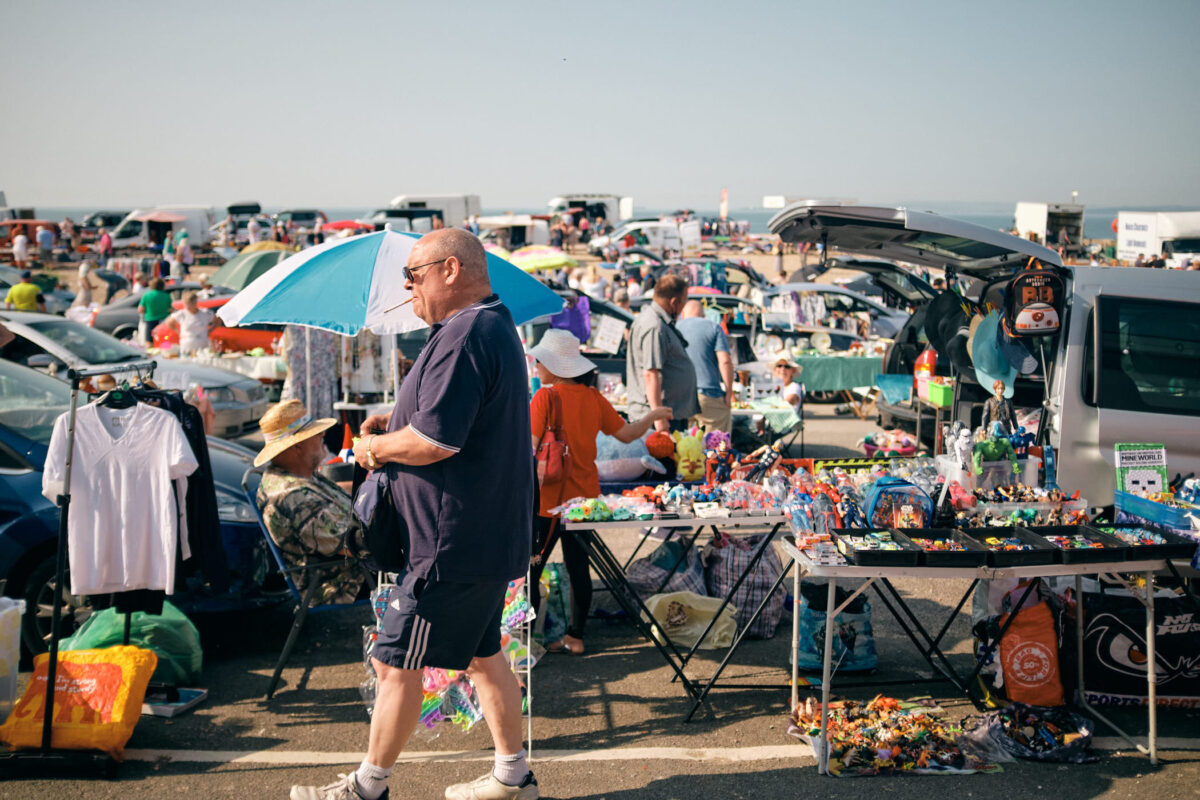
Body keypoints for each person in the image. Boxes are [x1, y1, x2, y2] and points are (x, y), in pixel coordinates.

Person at [292, 228, 538, 800]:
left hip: (449, 540)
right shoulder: (487, 325)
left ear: (450, 270)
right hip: (477, 534)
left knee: (394, 662)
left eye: (414, 275)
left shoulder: (467, 333)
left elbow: (436, 441)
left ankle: (366, 788)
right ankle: (512, 777)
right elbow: (442, 421)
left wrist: (373, 449)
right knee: (485, 655)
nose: (408, 289)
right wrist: (393, 420)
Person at [527, 329, 671, 655]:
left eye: (541, 360)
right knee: (579, 568)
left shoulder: (544, 398)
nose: (536, 365)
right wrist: (652, 416)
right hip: (585, 500)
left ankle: (531, 642)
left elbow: (529, 450)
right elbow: (627, 434)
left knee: (531, 569)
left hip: (548, 501)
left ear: (556, 366)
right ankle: (576, 637)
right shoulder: (593, 398)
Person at [254, 399, 370, 605]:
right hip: (343, 583)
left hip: (351, 564)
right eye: (315, 434)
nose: (323, 435)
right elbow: (358, 545)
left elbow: (331, 499)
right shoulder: (294, 497)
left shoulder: (296, 475)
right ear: (297, 446)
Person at [625, 274, 698, 433]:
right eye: (684, 300)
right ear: (674, 302)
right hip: (656, 418)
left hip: (667, 413)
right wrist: (658, 418)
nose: (685, 305)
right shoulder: (654, 326)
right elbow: (651, 374)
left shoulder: (657, 321)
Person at [676, 299, 734, 432]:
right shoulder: (713, 327)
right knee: (717, 444)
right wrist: (728, 392)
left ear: (683, 314)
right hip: (708, 394)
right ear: (703, 314)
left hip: (680, 396)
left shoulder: (675, 328)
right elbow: (725, 361)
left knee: (686, 444)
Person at [137, 278, 173, 343]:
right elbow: (171, 310)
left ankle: (150, 352)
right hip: (163, 321)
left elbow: (140, 309)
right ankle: (164, 352)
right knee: (164, 340)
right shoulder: (167, 296)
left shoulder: (146, 295)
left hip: (150, 321)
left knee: (149, 341)